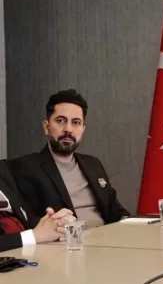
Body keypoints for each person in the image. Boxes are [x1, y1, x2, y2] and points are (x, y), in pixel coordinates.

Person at [11, 89, 129, 229]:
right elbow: (28, 220)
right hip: (65, 240)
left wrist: (130, 223)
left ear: (83, 129)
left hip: (107, 237)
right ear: (46, 127)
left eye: (76, 122)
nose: (68, 129)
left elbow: (116, 210)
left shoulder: (93, 164)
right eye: (61, 121)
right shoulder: (27, 167)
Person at [0, 160, 75, 252]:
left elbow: (23, 214)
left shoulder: (3, 168)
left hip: (27, 251)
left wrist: (55, 225)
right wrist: (34, 236)